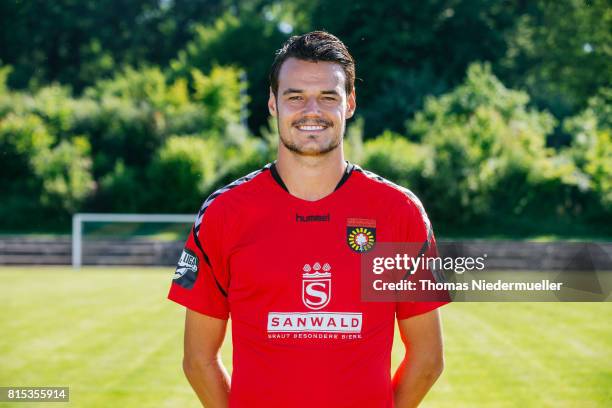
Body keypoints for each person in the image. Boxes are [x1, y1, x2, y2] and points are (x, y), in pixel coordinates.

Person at [168, 30, 448, 408]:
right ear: (273, 103)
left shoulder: (398, 213)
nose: (311, 111)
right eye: (295, 96)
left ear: (349, 103)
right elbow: (197, 360)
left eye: (327, 97)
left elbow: (428, 360)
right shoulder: (224, 213)